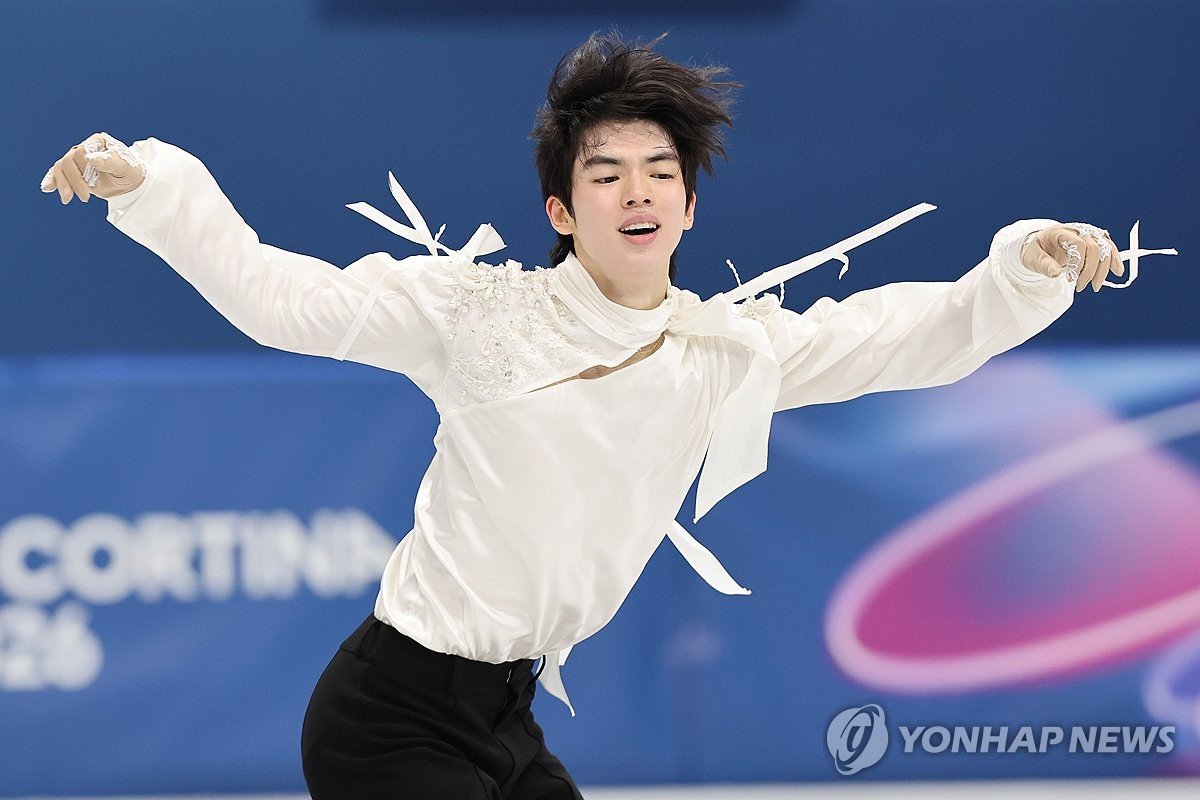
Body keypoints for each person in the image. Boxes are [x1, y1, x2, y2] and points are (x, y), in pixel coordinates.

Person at [40, 30, 1157, 800]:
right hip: (389, 718)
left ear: (688, 204)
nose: (636, 191)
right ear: (562, 209)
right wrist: (150, 186)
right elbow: (279, 297)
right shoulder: (476, 314)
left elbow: (907, 335)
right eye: (606, 172)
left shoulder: (721, 353)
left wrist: (1030, 266)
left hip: (507, 721)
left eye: (659, 171)